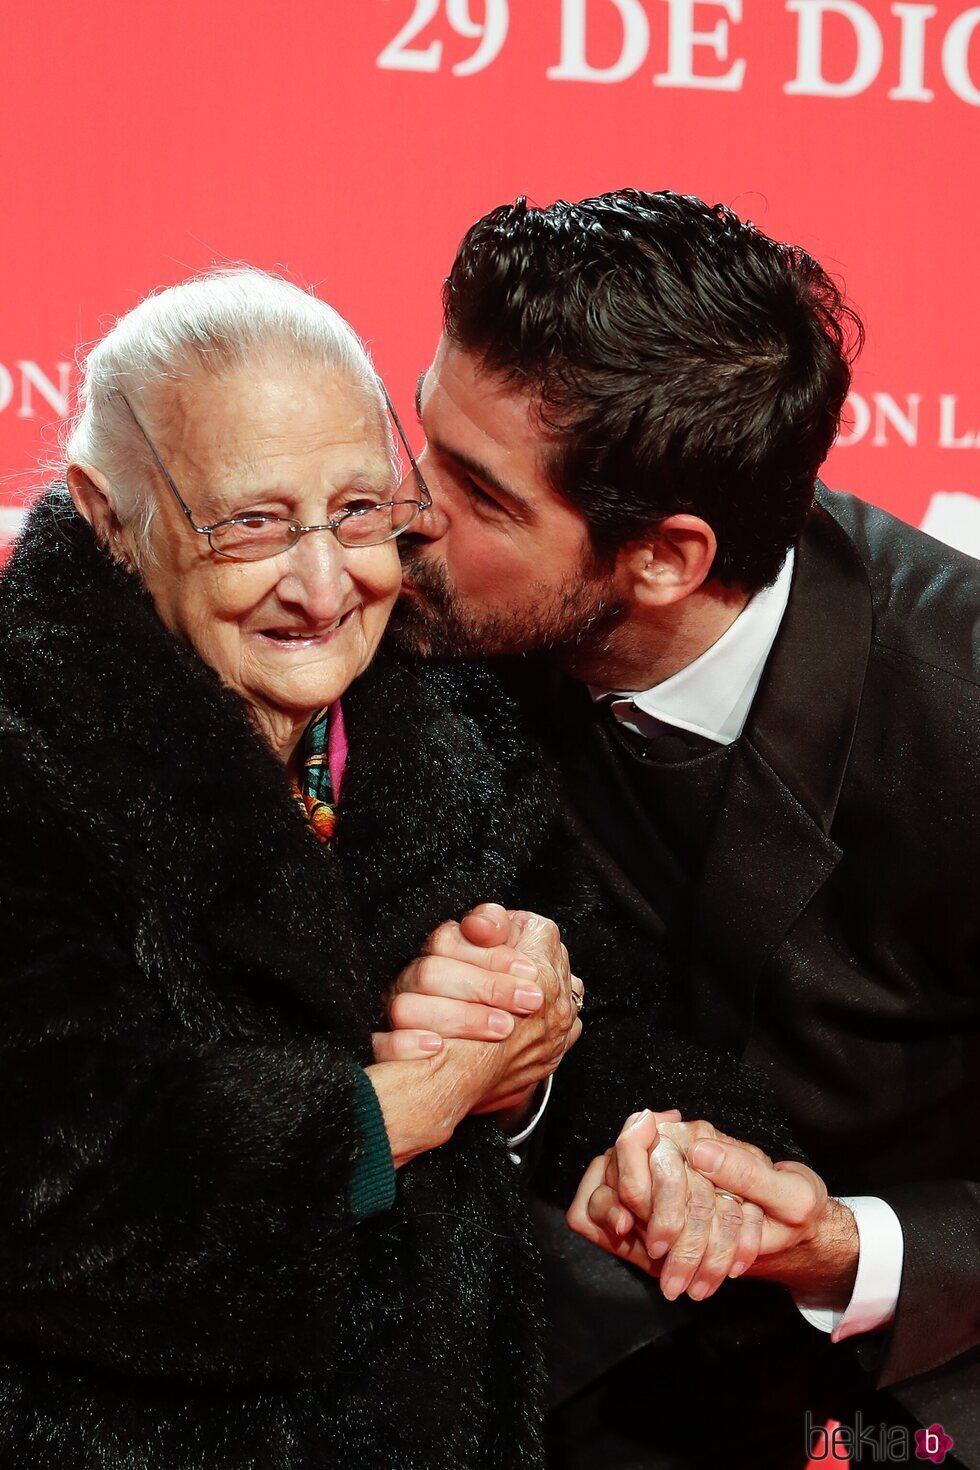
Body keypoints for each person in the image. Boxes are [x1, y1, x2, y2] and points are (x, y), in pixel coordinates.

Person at [0, 265, 797, 1470]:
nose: (325, 586)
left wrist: (574, 1084)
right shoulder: (27, 757)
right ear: (108, 515)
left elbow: (616, 1032)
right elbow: (51, 1195)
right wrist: (405, 1109)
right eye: (251, 523)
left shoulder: (455, 717)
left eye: (361, 508)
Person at [386, 191, 980, 1467]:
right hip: (568, 1334)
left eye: (477, 497)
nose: (400, 518)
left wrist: (844, 1246)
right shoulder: (427, 630)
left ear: (664, 557)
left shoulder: (961, 717)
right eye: (417, 441)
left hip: (906, 1383)